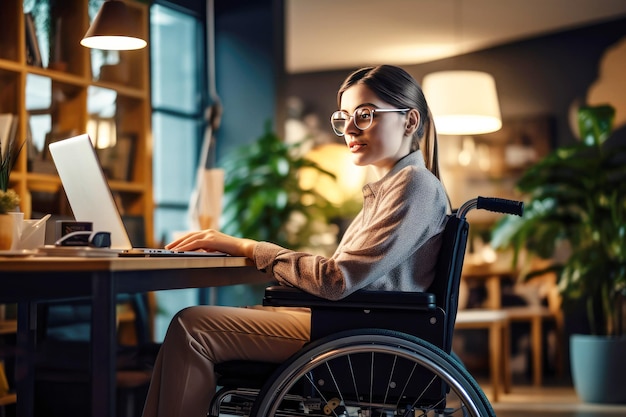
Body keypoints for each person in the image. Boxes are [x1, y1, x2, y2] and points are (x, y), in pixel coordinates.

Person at [141, 64, 450, 417]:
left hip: (358, 332)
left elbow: (337, 280)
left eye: (365, 115)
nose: (349, 129)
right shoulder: (396, 187)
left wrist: (247, 247)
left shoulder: (413, 185)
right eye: (344, 117)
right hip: (351, 323)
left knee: (191, 326)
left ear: (410, 121)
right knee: (198, 323)